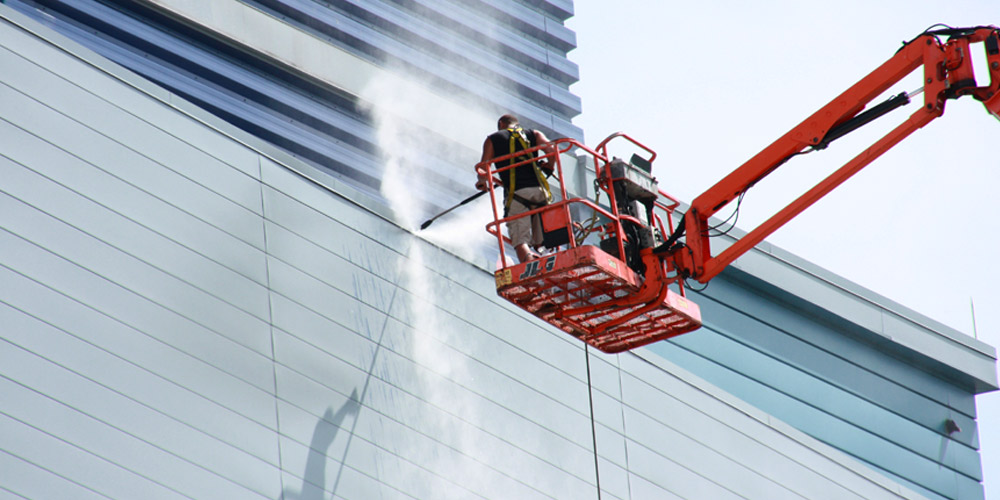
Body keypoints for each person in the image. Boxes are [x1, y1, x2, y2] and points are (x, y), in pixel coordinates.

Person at [476, 114, 555, 263]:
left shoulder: (493, 139)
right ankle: (547, 260)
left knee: (520, 240)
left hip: (517, 195)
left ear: (501, 124)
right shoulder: (534, 134)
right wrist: (550, 166)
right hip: (540, 193)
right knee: (543, 238)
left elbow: (482, 168)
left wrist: (482, 182)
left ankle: (531, 268)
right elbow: (551, 150)